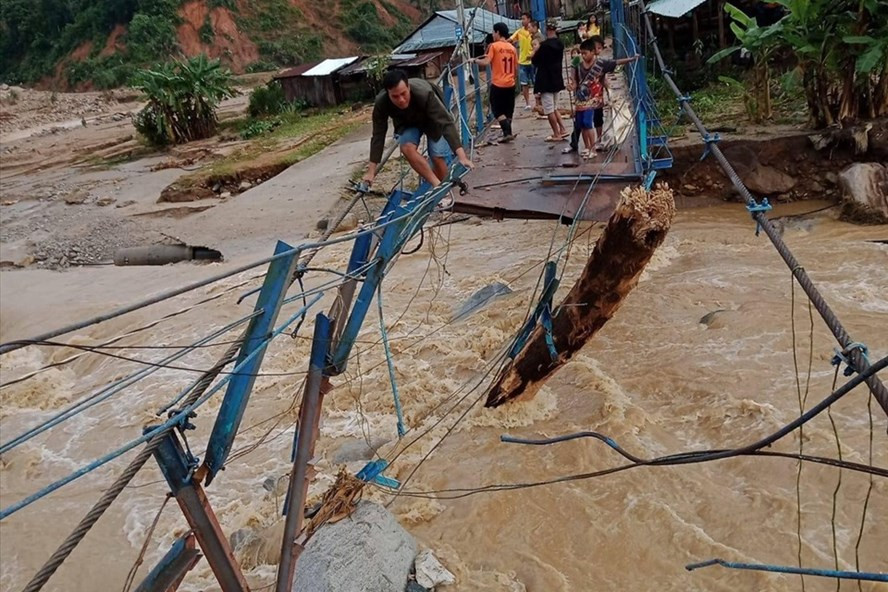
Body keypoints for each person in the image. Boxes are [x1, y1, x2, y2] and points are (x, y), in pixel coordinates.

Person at [364, 69, 473, 188]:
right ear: (387, 93)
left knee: (437, 155)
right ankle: (437, 186)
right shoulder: (381, 103)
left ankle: (446, 189)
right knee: (406, 147)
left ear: (409, 87)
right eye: (395, 96)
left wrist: (462, 157)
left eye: (403, 94)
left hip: (432, 118)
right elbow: (378, 135)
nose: (401, 100)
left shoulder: (425, 93)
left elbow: (446, 123)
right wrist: (371, 171)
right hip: (407, 122)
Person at [566, 36, 640, 154]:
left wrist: (631, 59)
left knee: (589, 122)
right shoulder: (578, 62)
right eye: (581, 53)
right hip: (581, 99)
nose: (583, 56)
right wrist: (571, 86)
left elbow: (615, 63)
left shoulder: (600, 63)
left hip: (594, 99)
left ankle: (593, 146)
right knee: (582, 123)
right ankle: (588, 147)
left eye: (585, 53)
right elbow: (574, 81)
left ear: (592, 52)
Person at [473, 22, 518, 142]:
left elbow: (486, 62)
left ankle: (507, 131)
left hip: (498, 83)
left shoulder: (494, 46)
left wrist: (474, 61)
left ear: (498, 32)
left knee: (497, 109)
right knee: (508, 110)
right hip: (510, 83)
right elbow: (516, 67)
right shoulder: (512, 48)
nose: (493, 35)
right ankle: (507, 133)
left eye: (493, 32)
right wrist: (513, 79)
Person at [532, 19, 567, 141]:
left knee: (549, 110)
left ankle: (556, 134)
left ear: (547, 30)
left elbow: (535, 61)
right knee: (555, 107)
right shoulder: (560, 44)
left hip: (545, 81)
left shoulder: (544, 46)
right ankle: (563, 129)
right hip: (557, 78)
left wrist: (535, 51)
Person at [509, 12, 535, 110]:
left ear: (529, 19)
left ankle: (538, 102)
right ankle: (528, 103)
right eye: (521, 19)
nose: (522, 21)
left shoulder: (534, 31)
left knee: (536, 82)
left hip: (533, 61)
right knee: (524, 84)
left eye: (523, 18)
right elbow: (510, 40)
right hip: (522, 61)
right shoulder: (519, 32)